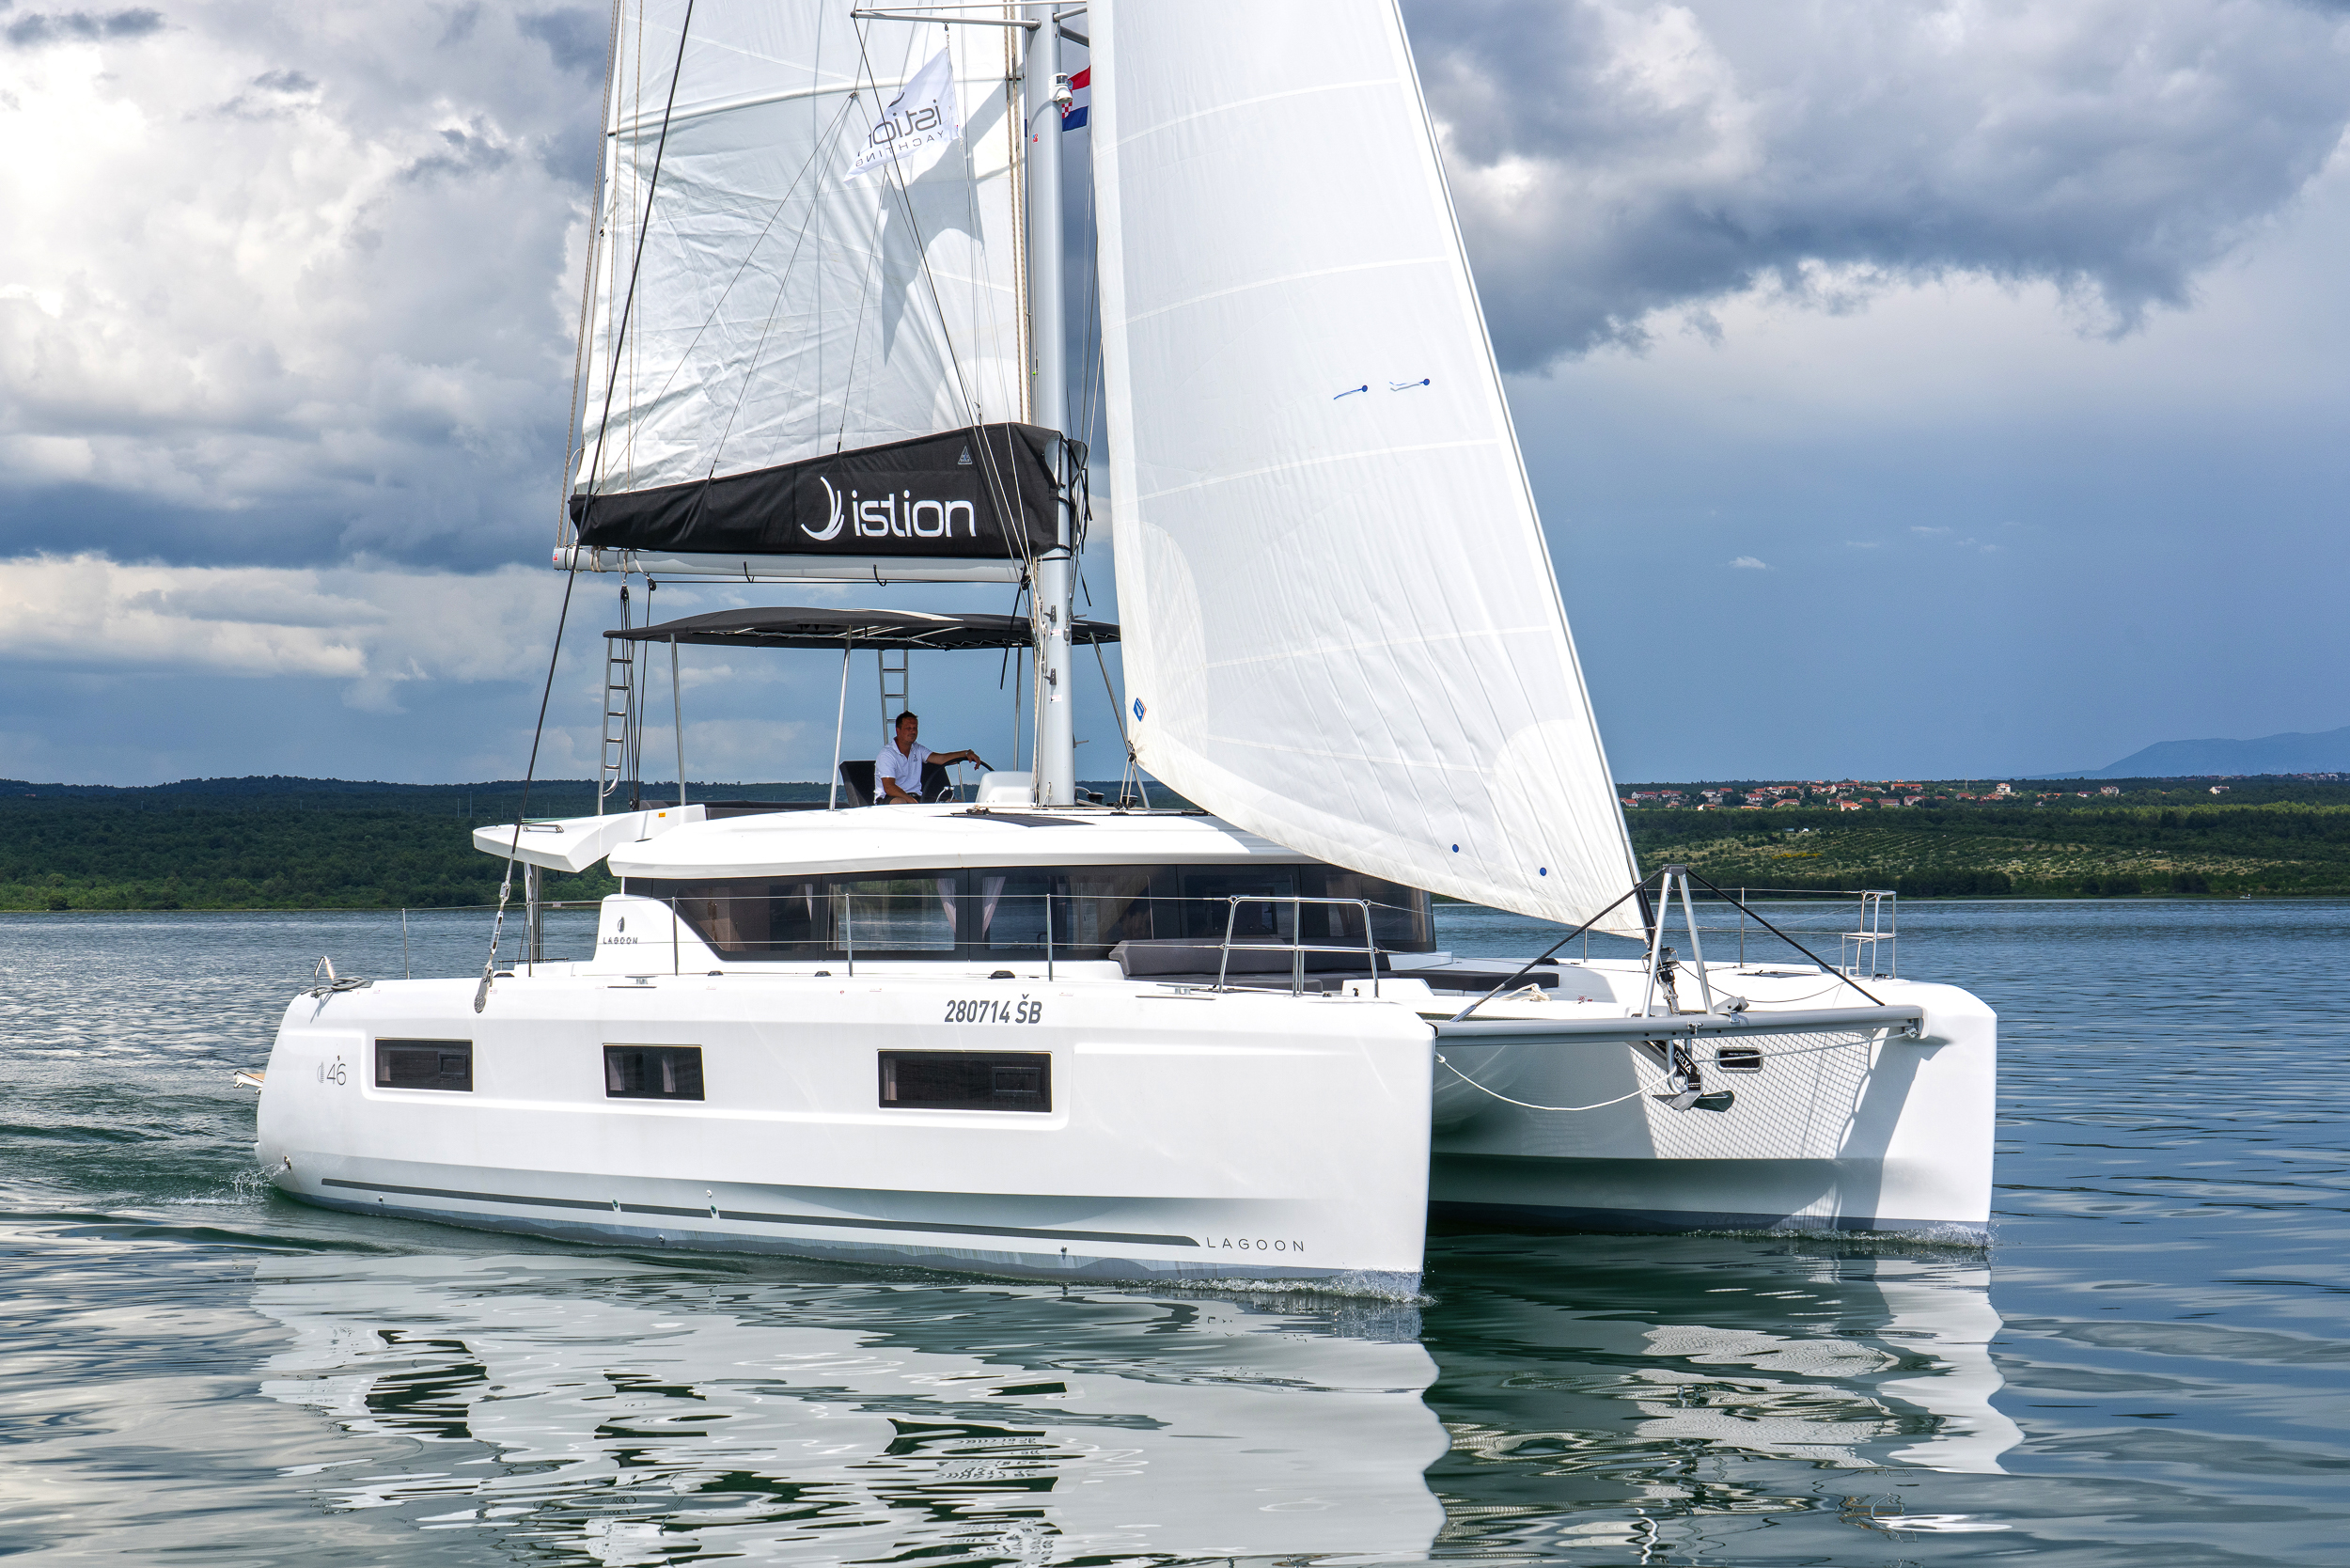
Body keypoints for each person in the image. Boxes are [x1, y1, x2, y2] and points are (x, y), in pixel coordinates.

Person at [874, 712, 988, 803]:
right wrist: (910, 801)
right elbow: (889, 787)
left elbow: (942, 759)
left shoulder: (918, 749)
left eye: (915, 728)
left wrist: (966, 753)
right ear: (898, 731)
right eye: (908, 728)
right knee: (900, 802)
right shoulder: (887, 754)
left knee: (955, 803)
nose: (913, 731)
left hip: (916, 797)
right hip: (888, 798)